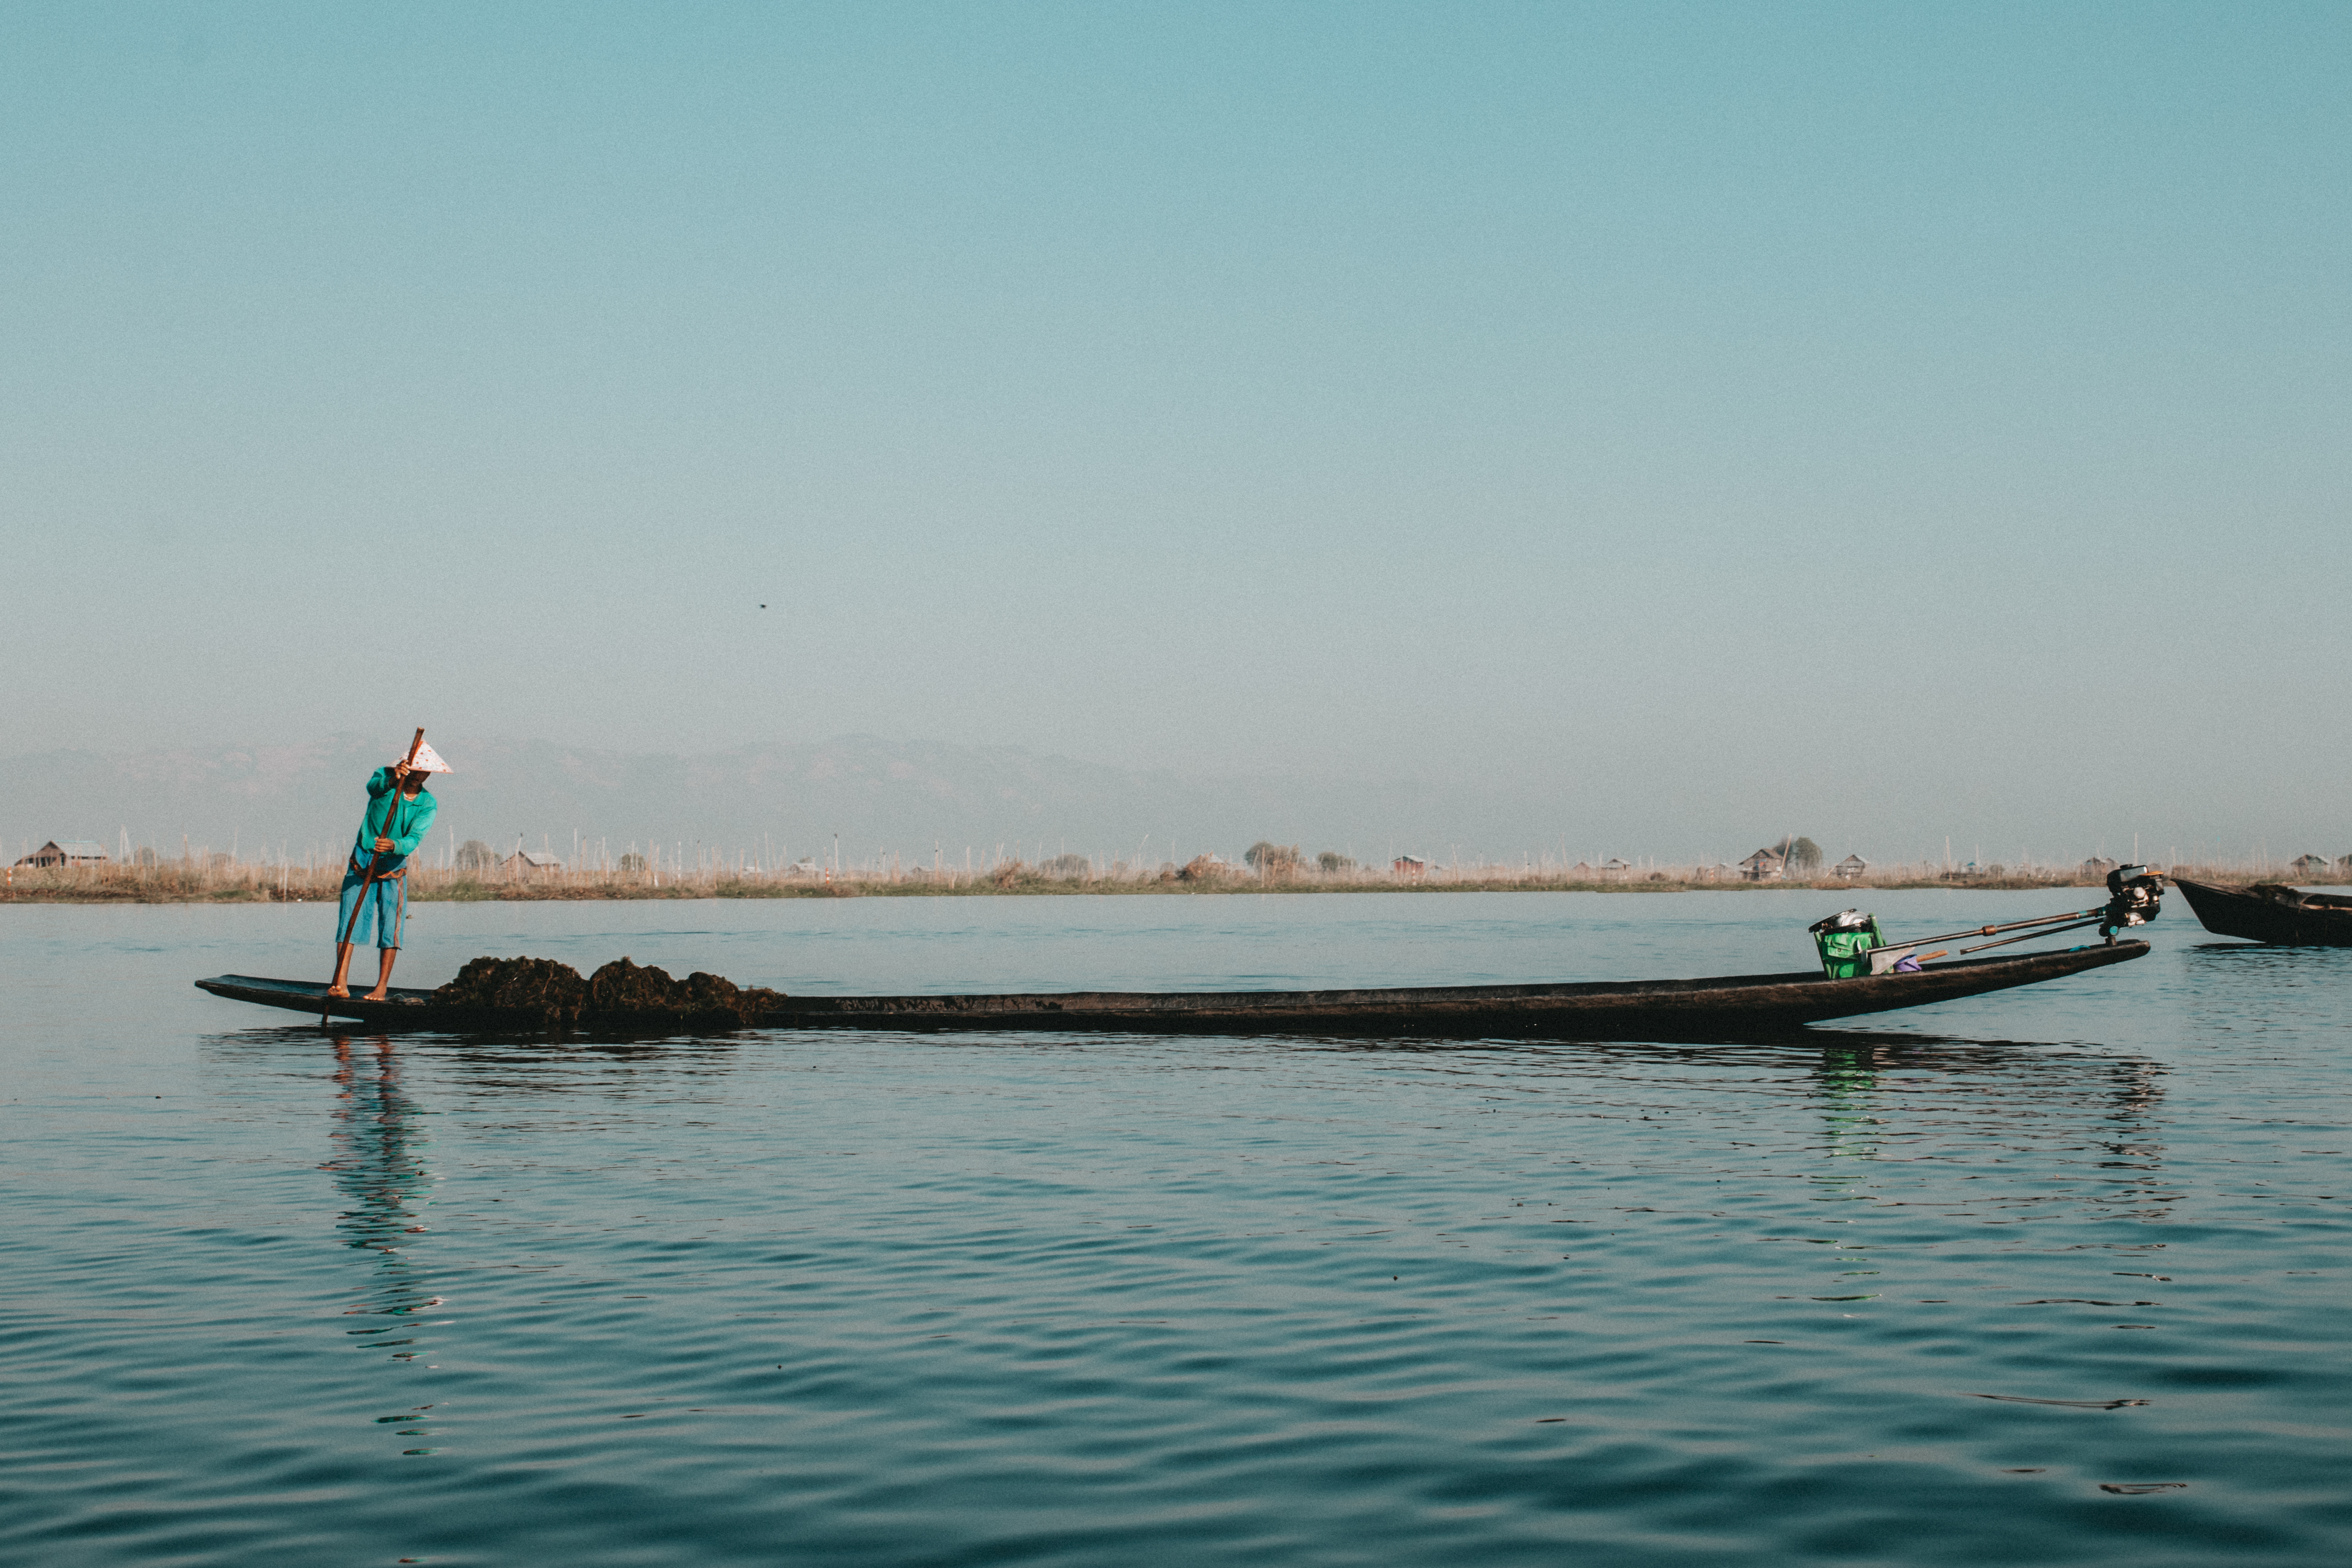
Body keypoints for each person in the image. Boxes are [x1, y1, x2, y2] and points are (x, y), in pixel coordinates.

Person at [328, 743, 451, 1000]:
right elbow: (373, 788)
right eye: (415, 769)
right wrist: (393, 778)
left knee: (391, 928)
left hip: (393, 868)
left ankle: (381, 987)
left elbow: (415, 837)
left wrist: (395, 845)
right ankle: (340, 983)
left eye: (425, 772)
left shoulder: (427, 803)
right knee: (349, 922)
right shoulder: (384, 780)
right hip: (363, 862)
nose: (419, 775)